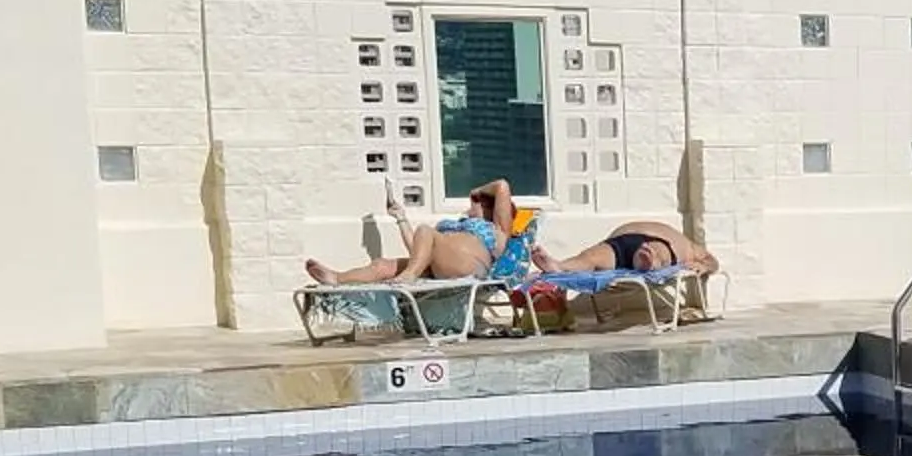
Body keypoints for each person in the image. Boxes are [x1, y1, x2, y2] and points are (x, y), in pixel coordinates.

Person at [305, 181, 524, 287]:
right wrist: (400, 217)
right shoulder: (456, 226)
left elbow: (502, 186)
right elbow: (418, 251)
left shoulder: (498, 229)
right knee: (382, 265)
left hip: (469, 266)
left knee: (425, 233)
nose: (474, 204)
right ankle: (337, 278)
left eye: (481, 203)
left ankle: (408, 277)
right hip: (437, 265)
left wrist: (475, 192)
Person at [539, 218, 719, 278]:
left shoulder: (684, 243)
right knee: (657, 254)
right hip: (647, 241)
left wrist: (704, 266)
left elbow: (712, 263)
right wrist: (705, 265)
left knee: (588, 258)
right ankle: (647, 262)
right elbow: (712, 261)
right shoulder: (687, 245)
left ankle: (561, 266)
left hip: (624, 241)